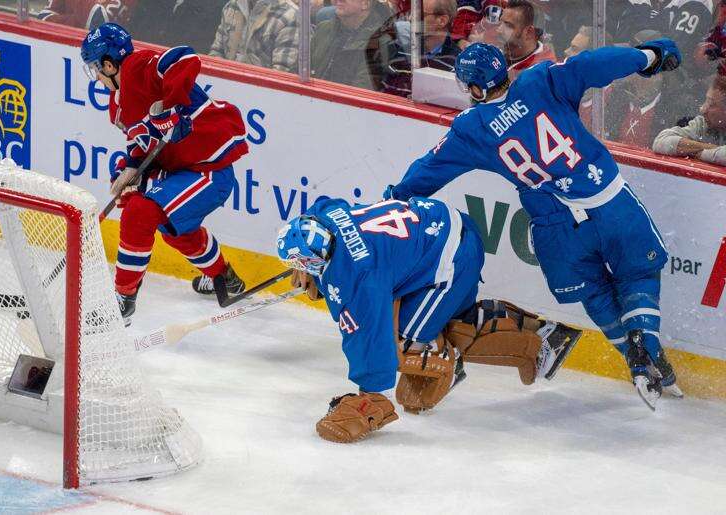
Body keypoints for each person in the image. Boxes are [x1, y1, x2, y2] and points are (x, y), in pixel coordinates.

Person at [384, 40, 686, 410]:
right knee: (638, 273)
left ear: (475, 88)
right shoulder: (540, 80)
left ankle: (635, 360)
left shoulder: (471, 128)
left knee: (592, 293)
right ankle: (644, 343)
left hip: (555, 226)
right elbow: (594, 63)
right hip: (607, 201)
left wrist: (394, 198)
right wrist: (648, 56)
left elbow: (429, 169)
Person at [276, 196, 581, 442]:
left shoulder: (360, 279)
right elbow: (323, 205)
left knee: (403, 344)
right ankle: (537, 334)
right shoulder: (327, 217)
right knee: (433, 321)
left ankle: (539, 343)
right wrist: (318, 272)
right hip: (441, 229)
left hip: (451, 258)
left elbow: (368, 338)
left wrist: (372, 394)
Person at [80, 23, 248, 325]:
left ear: (109, 64)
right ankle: (225, 279)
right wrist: (131, 168)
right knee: (176, 232)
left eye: (96, 69)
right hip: (182, 171)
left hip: (210, 170)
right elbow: (142, 144)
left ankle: (123, 301)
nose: (97, 77)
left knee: (141, 212)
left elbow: (184, 59)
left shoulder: (138, 68)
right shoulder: (117, 105)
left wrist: (171, 107)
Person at [311, 0, 397, 90]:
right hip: (311, 94)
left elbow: (361, 90)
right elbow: (303, 69)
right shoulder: (323, 29)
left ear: (365, 4)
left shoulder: (380, 42)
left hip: (339, 97)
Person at [383, 0, 461, 97]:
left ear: (442, 21)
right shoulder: (399, 49)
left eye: (419, 15)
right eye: (411, 12)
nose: (411, 18)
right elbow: (384, 93)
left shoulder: (458, 64)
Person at [209, 0, 300, 73]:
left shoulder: (290, 16)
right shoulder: (232, 6)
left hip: (261, 88)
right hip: (225, 85)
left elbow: (281, 75)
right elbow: (216, 52)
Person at [653, 77, 726, 164]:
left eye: (711, 104)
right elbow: (661, 141)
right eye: (706, 101)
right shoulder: (702, 124)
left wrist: (700, 154)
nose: (702, 109)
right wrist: (711, 149)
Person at [497, 0, 556, 80]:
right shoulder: (503, 51)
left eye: (508, 26)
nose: (499, 30)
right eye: (501, 22)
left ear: (529, 32)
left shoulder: (540, 75)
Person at [37, 0, 135, 29]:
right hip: (61, 51)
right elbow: (44, 18)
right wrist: (78, 20)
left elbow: (98, 21)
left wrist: (67, 19)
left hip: (103, 61)